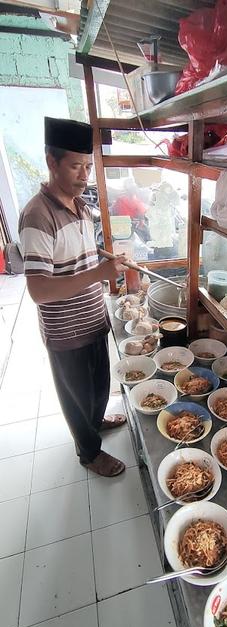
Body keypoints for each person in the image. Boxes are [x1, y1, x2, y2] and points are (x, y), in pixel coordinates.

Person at [19, 117, 129, 477]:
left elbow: (76, 253)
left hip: (93, 319)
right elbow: (39, 289)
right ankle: (89, 452)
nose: (84, 175)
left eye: (88, 166)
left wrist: (105, 259)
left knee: (100, 385)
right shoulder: (37, 215)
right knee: (77, 396)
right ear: (52, 162)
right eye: (75, 166)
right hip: (66, 332)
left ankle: (95, 421)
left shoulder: (79, 204)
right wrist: (98, 274)